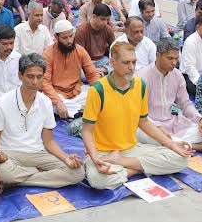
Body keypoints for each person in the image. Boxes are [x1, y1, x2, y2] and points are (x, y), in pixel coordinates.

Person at [81, 42, 192, 190]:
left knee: (182, 159)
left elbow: (144, 122)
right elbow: (87, 131)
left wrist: (171, 144)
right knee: (98, 180)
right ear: (112, 63)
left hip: (130, 149)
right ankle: (138, 167)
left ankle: (122, 165)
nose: (131, 67)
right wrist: (95, 158)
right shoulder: (98, 90)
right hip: (102, 152)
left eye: (134, 62)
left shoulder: (140, 84)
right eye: (126, 63)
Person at [0, 53, 85, 188]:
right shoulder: (3, 102)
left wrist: (66, 158)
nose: (35, 82)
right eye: (30, 76)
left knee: (78, 172)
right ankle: (28, 174)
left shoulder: (45, 102)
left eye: (39, 77)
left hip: (37, 153)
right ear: (20, 75)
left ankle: (16, 181)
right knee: (4, 172)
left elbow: (49, 141)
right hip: (11, 154)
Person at [137, 38, 202, 154]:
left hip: (173, 124)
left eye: (176, 59)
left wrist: (201, 119)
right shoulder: (142, 77)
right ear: (158, 55)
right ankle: (195, 146)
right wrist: (157, 128)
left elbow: (185, 104)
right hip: (151, 126)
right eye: (170, 58)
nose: (174, 63)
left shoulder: (177, 75)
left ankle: (176, 145)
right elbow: (139, 114)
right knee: (146, 135)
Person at [42, 20, 101, 119]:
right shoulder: (48, 54)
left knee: (94, 93)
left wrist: (99, 93)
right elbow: (45, 82)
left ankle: (77, 111)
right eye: (64, 38)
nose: (69, 41)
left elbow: (92, 74)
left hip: (77, 92)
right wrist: (58, 102)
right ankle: (82, 110)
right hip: (58, 94)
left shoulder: (80, 50)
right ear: (56, 38)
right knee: (46, 102)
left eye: (71, 36)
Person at [74, 3, 116, 73]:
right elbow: (79, 56)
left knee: (118, 66)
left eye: (107, 20)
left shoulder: (108, 29)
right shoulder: (82, 30)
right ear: (94, 17)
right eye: (102, 19)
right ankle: (102, 72)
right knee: (80, 73)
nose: (105, 22)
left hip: (103, 60)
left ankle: (100, 71)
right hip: (87, 62)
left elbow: (114, 48)